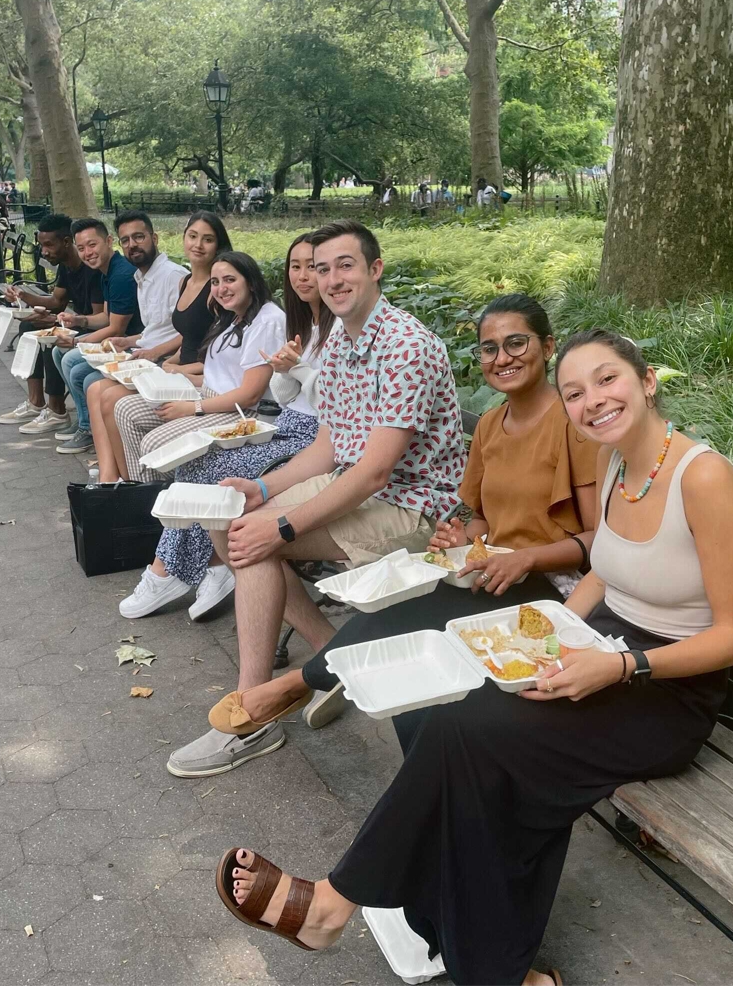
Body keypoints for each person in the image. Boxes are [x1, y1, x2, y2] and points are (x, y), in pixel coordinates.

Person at [213, 328, 733, 986]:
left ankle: (334, 904)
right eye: (576, 392)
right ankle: (488, 967)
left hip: (667, 690)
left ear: (646, 382)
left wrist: (618, 667)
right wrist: (548, 628)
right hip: (599, 648)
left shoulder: (705, 478)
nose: (593, 401)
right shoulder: (616, 463)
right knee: (453, 716)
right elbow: (606, 573)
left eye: (608, 380)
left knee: (480, 740)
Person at [213, 293, 601, 740]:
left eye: (516, 343)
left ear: (548, 347)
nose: (502, 358)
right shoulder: (493, 425)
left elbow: (598, 540)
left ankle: (291, 685)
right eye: (489, 348)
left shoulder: (573, 426)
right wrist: (462, 540)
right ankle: (315, 685)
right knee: (395, 614)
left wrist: (524, 560)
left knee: (405, 623)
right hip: (494, 572)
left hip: (553, 584)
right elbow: (479, 518)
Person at [164, 219, 467, 778]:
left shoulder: (404, 346)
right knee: (230, 516)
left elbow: (375, 472)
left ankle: (252, 715)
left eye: (345, 265)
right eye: (321, 268)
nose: (331, 279)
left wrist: (282, 526)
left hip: (416, 506)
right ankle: (334, 655)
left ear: (375, 269)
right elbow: (331, 443)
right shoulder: (339, 341)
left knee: (255, 543)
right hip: (357, 485)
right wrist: (259, 490)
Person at [119, 234, 337, 621]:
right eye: (297, 267)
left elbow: (335, 405)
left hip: (313, 437)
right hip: (288, 424)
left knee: (211, 470)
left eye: (316, 267)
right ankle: (204, 567)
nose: (306, 277)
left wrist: (297, 369)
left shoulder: (335, 326)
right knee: (194, 466)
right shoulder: (309, 323)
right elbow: (286, 395)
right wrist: (287, 370)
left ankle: (175, 570)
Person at [97, 213, 236, 482]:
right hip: (177, 370)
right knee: (106, 395)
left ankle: (137, 483)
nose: (198, 245)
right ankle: (127, 482)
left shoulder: (218, 289)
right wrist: (171, 360)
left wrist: (175, 367)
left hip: (198, 377)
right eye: (193, 237)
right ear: (184, 239)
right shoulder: (186, 282)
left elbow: (219, 352)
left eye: (207, 239)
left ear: (218, 245)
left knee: (115, 401)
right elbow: (186, 335)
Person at [85, 210, 201, 478]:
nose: (132, 245)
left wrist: (155, 353)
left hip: (167, 361)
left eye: (138, 237)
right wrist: (127, 340)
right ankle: (109, 476)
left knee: (110, 398)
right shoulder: (141, 277)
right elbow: (154, 329)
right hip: (147, 355)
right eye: (125, 240)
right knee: (94, 389)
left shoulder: (174, 276)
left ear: (154, 238)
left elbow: (187, 330)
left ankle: (130, 482)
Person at [0, 214, 105, 435]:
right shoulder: (67, 265)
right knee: (28, 327)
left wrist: (57, 321)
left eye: (48, 245)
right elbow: (57, 302)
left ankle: (57, 411)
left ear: (66, 242)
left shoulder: (91, 268)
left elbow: (99, 317)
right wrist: (22, 295)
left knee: (51, 339)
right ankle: (36, 401)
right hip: (77, 320)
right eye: (41, 245)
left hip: (96, 326)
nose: (44, 251)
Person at [53, 218, 141, 455]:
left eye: (92, 245)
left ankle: (89, 428)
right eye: (81, 248)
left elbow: (116, 329)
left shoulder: (121, 275)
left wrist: (75, 341)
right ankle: (86, 422)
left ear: (109, 241)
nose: (87, 253)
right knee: (59, 352)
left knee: (74, 362)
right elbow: (104, 317)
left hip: (133, 344)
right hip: (119, 341)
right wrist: (79, 320)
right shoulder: (105, 271)